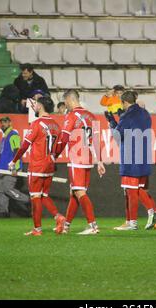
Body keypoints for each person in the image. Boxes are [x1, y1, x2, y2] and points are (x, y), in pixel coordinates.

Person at [8, 97, 66, 236]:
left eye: (36, 104)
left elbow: (24, 145)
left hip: (37, 165)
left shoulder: (37, 124)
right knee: (44, 195)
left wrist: (14, 161)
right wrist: (53, 157)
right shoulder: (56, 125)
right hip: (50, 165)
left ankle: (37, 229)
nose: (34, 106)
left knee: (35, 196)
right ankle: (58, 217)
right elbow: (60, 145)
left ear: (40, 106)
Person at [105, 91, 156, 231]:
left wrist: (112, 122)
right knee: (138, 189)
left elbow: (118, 135)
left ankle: (138, 220)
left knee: (131, 190)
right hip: (144, 155)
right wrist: (120, 117)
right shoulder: (145, 113)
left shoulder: (127, 115)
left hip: (131, 156)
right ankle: (135, 219)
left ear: (124, 102)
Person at [54, 89, 104, 235]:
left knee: (79, 191)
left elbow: (64, 137)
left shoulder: (72, 115)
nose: (65, 105)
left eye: (65, 102)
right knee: (74, 192)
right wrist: (99, 161)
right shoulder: (91, 116)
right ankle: (66, 226)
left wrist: (54, 155)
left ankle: (93, 226)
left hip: (76, 158)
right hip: (88, 158)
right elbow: (96, 139)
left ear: (69, 100)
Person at [0, 116, 30, 218]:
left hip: (10, 168)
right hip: (3, 169)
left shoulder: (13, 135)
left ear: (10, 123)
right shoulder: (5, 137)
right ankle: (4, 213)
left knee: (7, 189)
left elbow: (17, 151)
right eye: (1, 122)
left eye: (5, 122)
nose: (3, 124)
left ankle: (28, 200)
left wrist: (14, 167)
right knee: (0, 191)